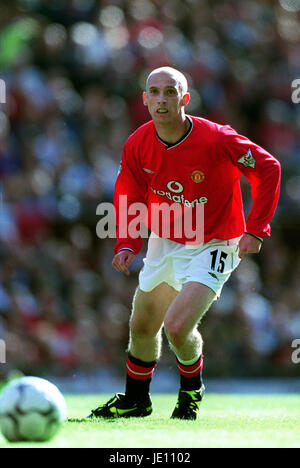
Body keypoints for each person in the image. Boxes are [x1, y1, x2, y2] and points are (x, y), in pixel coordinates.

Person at [89, 67, 281, 420]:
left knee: (177, 326)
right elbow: (129, 192)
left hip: (216, 243)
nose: (162, 99)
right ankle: (136, 401)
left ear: (185, 99)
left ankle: (191, 392)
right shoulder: (137, 143)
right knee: (143, 324)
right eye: (154, 92)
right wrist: (127, 242)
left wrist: (256, 228)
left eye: (170, 91)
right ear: (144, 100)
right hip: (166, 239)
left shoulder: (217, 139)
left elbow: (268, 167)